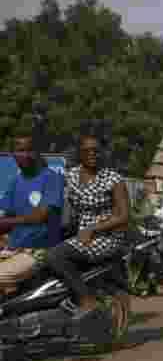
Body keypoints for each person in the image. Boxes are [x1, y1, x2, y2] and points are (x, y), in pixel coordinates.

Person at [44, 122, 131, 319]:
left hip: (107, 236)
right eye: (87, 150)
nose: (92, 154)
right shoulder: (72, 175)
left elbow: (124, 216)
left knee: (55, 256)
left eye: (96, 150)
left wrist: (93, 229)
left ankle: (87, 299)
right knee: (41, 257)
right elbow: (64, 207)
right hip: (82, 233)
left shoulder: (113, 178)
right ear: (79, 153)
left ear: (102, 152)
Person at [0, 121, 64, 293]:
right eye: (20, 150)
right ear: (12, 154)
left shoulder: (51, 178)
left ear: (37, 153)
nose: (26, 155)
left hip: (40, 251)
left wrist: (8, 222)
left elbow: (41, 216)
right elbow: (4, 217)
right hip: (13, 249)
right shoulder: (15, 183)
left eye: (30, 150)